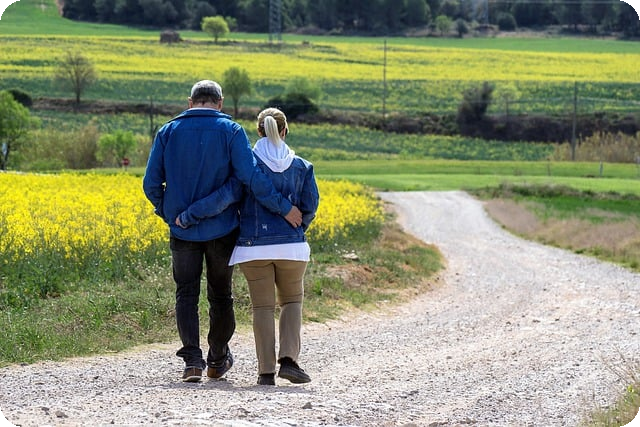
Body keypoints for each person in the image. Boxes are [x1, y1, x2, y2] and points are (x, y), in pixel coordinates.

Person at [142, 81, 302, 383]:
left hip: (182, 232)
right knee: (220, 295)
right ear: (220, 102)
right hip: (222, 229)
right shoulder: (231, 131)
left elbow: (151, 184)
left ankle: (192, 362)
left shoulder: (167, 131)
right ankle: (217, 359)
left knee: (186, 294)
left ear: (190, 102)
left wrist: (171, 214)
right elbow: (248, 178)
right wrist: (283, 207)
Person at [229, 107, 320, 386]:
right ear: (285, 131)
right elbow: (310, 205)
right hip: (291, 249)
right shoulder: (302, 166)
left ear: (258, 131)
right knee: (291, 301)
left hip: (252, 248)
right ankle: (289, 361)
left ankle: (266, 372)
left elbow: (233, 198)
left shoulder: (247, 166)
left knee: (262, 308)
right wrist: (296, 229)